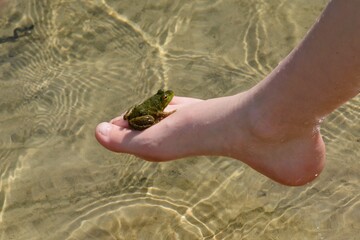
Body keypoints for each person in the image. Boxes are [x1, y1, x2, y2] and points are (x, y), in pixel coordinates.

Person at [95, 0, 360, 186]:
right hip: (144, 113)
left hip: (143, 114)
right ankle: (275, 120)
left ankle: (271, 123)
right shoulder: (156, 105)